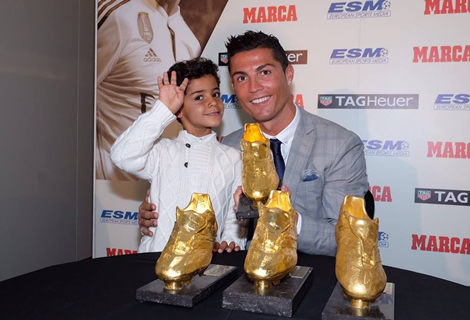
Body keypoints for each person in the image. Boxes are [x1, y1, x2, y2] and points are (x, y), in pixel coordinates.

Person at [138, 31, 369, 256]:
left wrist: (289, 220)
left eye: (265, 72)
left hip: (311, 277)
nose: (254, 87)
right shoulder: (228, 147)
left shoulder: (340, 145)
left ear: (288, 74)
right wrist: (159, 212)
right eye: (241, 78)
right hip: (240, 279)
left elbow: (347, 240)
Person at [111, 58, 246, 253]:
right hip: (155, 262)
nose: (212, 102)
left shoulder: (233, 158)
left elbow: (234, 218)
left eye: (215, 94)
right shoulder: (162, 151)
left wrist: (231, 243)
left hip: (206, 266)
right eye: (199, 97)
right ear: (179, 109)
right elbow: (121, 156)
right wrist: (163, 110)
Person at [97, 0, 201, 180]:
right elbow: (69, 95)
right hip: (113, 188)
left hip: (165, 187)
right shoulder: (118, 15)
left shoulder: (188, 40)